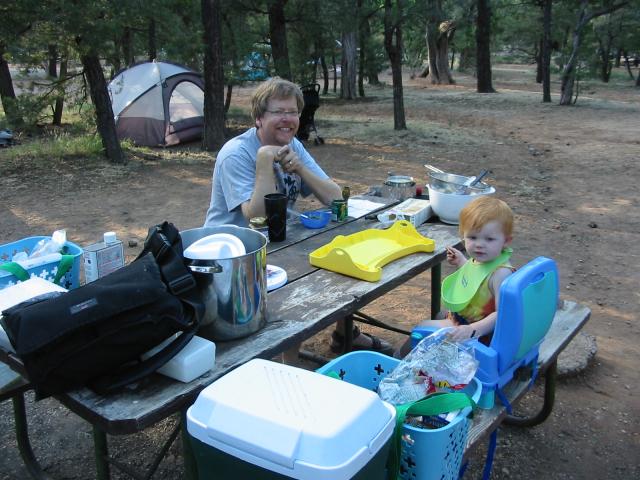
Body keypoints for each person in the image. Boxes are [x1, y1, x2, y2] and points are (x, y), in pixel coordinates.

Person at [203, 77, 393, 358]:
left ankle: (344, 334)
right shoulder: (236, 153)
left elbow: (337, 198)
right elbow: (256, 216)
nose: (287, 119)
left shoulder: (293, 145)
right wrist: (265, 160)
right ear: (258, 117)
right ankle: (286, 365)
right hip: (234, 253)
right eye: (278, 112)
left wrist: (301, 169)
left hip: (280, 241)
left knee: (340, 256)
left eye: (292, 112)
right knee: (290, 295)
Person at [399, 196, 515, 356]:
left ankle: (398, 361)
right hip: (463, 321)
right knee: (434, 320)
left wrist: (472, 330)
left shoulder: (501, 273)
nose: (479, 244)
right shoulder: (484, 259)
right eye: (472, 237)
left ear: (506, 241)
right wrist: (462, 262)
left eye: (489, 239)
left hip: (478, 335)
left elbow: (502, 314)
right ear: (463, 235)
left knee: (422, 328)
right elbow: (477, 278)